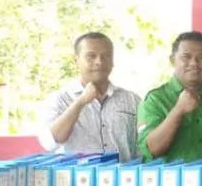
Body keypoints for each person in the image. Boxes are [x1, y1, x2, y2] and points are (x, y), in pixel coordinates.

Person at [37, 32, 142, 161]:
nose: (99, 62)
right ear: (75, 61)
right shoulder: (59, 100)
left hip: (122, 178)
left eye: (106, 56)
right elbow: (51, 141)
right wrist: (81, 101)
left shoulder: (132, 100)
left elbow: (142, 148)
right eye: (91, 56)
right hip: (76, 180)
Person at [137, 31, 202, 163]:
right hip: (169, 182)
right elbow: (151, 149)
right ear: (172, 60)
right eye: (186, 57)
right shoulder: (155, 100)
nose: (194, 63)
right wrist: (178, 110)